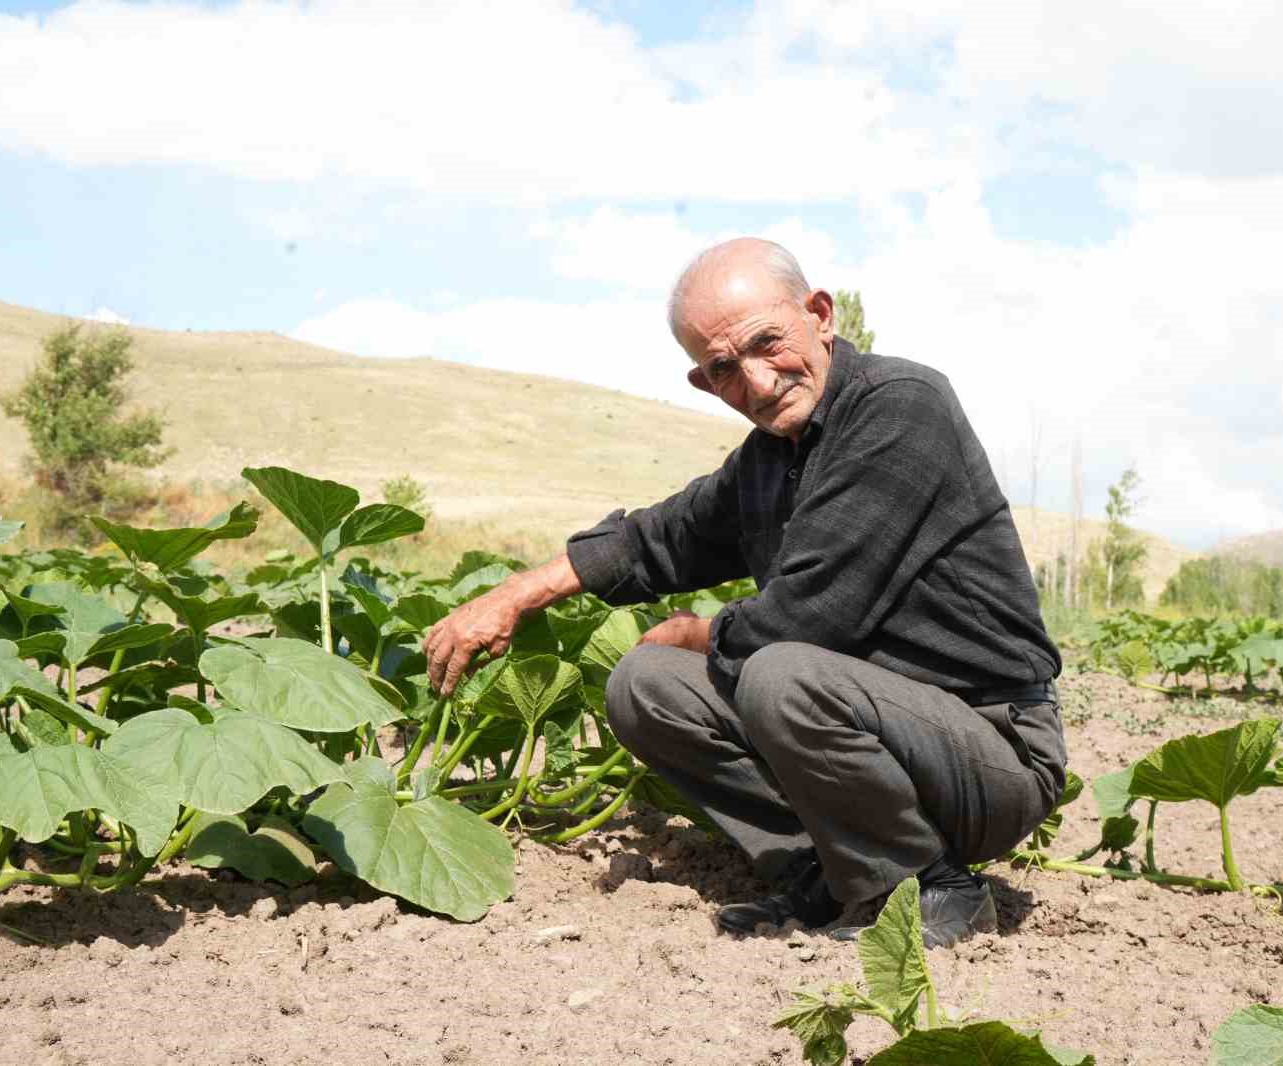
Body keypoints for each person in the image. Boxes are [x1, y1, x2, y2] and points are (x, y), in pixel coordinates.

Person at [425, 237, 1066, 948]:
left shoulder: (901, 407)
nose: (758, 383)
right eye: (725, 368)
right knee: (646, 683)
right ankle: (823, 870)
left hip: (991, 753)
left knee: (782, 670)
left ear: (820, 314)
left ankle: (928, 888)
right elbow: (657, 539)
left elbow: (811, 618)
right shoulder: (768, 461)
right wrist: (515, 595)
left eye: (769, 343)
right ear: (703, 381)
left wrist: (702, 632)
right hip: (877, 735)